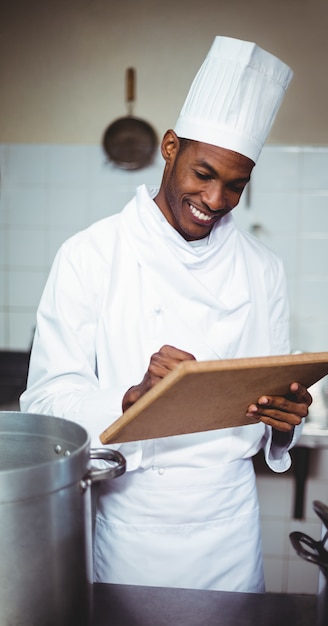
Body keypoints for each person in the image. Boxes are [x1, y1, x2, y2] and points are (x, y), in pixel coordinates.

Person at [20, 36, 312, 593]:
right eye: (203, 173)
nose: (216, 198)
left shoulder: (263, 267)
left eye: (236, 185)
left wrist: (284, 417)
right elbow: (45, 406)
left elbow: (268, 390)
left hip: (230, 523)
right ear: (171, 147)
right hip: (133, 522)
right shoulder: (91, 254)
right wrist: (128, 398)